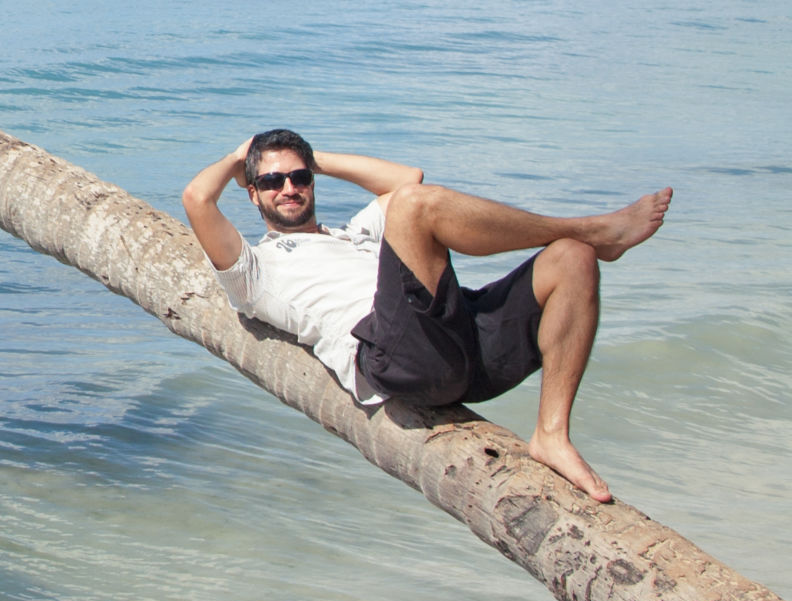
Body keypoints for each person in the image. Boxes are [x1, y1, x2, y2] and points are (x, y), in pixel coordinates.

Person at [181, 129, 671, 502]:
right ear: (253, 193)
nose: (288, 188)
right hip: (399, 359)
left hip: (462, 344)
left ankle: (552, 433)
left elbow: (405, 178)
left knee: (571, 259)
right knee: (417, 207)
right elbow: (197, 199)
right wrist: (238, 157)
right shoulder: (255, 268)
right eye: (272, 181)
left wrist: (313, 158)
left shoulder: (354, 234)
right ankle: (592, 229)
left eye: (299, 177)